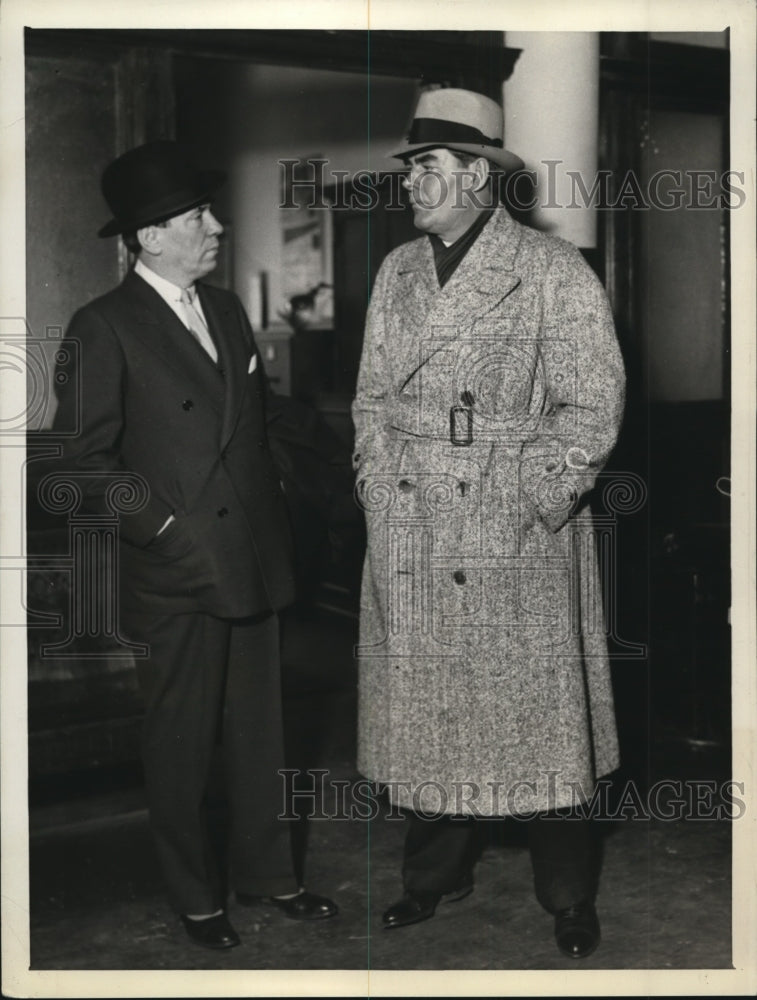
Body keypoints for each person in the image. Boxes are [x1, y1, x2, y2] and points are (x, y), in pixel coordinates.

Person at [352, 88, 625, 959]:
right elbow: (368, 397)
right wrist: (374, 483)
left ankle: (567, 897)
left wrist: (534, 500)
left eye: (426, 168)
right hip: (412, 522)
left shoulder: (552, 269)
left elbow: (593, 407)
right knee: (431, 712)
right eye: (410, 168)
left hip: (514, 528)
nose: (411, 184)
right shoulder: (395, 271)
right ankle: (432, 879)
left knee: (538, 721)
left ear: (475, 176)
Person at [52, 141, 337, 950]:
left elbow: (261, 416)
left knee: (261, 731)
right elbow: (76, 462)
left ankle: (271, 875)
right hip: (175, 571)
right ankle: (194, 895)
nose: (215, 227)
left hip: (252, 559)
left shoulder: (223, 311)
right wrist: (167, 531)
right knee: (180, 740)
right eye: (194, 217)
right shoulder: (101, 326)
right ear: (148, 238)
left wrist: (355, 447)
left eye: (206, 213)